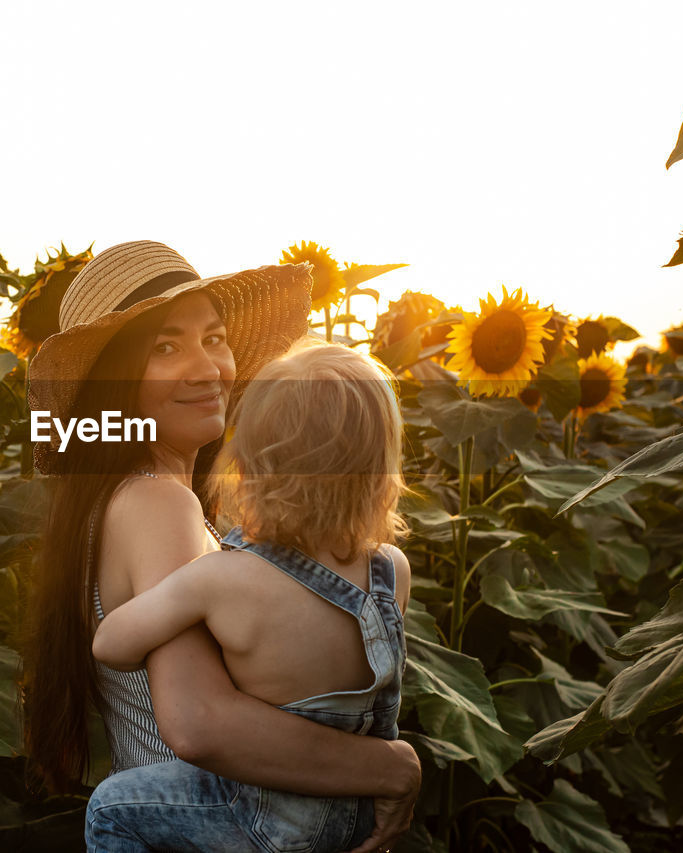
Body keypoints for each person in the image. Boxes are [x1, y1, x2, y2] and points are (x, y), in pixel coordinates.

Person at [22, 241, 421, 853]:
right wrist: (392, 768)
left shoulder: (137, 497)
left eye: (214, 337)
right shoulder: (159, 503)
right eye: (165, 347)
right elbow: (201, 723)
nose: (206, 367)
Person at [87, 341, 411, 852]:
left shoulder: (222, 580)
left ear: (249, 463)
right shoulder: (392, 569)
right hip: (357, 813)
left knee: (111, 808)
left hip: (262, 822)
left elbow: (111, 644)